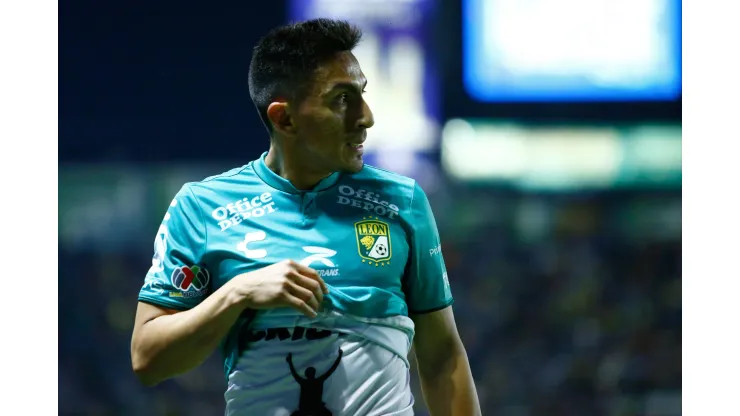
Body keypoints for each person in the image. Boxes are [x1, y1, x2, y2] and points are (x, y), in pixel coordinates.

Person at [130, 18, 481, 416]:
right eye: (342, 100)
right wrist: (238, 294)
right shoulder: (202, 207)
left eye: (362, 95)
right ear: (285, 119)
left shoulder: (402, 201)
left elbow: (442, 357)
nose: (365, 117)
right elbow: (148, 359)